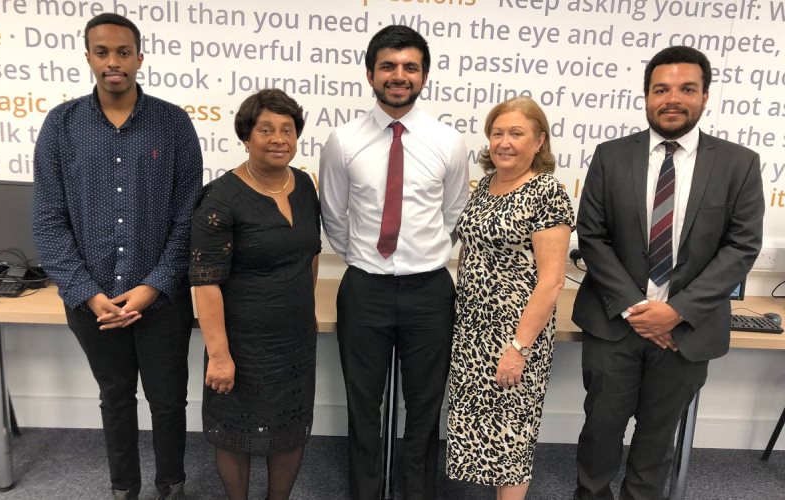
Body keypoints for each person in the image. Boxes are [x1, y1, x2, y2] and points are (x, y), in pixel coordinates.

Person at [573, 46, 764, 500]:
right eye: (661, 89)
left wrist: (675, 311)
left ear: (705, 96)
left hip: (687, 332)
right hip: (614, 322)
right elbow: (593, 237)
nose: (672, 99)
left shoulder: (739, 164)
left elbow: (741, 247)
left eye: (686, 89)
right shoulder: (610, 156)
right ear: (646, 97)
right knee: (600, 432)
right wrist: (638, 310)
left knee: (657, 440)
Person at [32, 13, 202, 500]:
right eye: (102, 52)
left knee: (168, 400)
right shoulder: (61, 125)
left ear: (139, 58)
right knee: (115, 397)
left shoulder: (173, 124)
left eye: (123, 52)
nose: (113, 62)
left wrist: (153, 287)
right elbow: (48, 218)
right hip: (93, 301)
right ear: (88, 58)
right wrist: (88, 293)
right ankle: (123, 488)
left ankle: (171, 483)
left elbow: (187, 215)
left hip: (162, 298)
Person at [319, 25, 469, 499]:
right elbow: (333, 216)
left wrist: (420, 256)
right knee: (363, 405)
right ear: (370, 74)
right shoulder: (343, 141)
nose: (399, 75)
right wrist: (368, 259)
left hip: (429, 292)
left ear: (424, 76)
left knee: (425, 407)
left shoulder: (448, 142)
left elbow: (453, 215)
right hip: (366, 288)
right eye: (388, 66)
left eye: (410, 67)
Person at [189, 89, 321, 500]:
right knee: (235, 434)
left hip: (295, 339)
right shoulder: (221, 198)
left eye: (287, 129)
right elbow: (206, 282)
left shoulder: (304, 184)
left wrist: (300, 308)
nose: (279, 138)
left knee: (290, 428)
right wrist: (220, 355)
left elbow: (310, 255)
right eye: (266, 129)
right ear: (246, 137)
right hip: (240, 342)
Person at [445, 97, 574, 498]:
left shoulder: (547, 193)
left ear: (538, 141)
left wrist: (518, 347)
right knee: (475, 428)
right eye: (497, 132)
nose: (504, 142)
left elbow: (552, 282)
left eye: (516, 133)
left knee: (510, 437)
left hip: (515, 334)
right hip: (471, 330)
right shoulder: (485, 186)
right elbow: (472, 249)